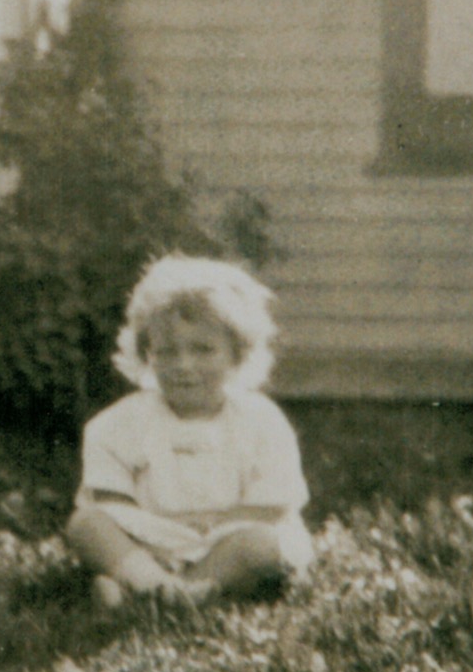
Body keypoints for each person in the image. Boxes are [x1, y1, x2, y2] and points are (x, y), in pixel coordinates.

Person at [66, 255, 313, 611]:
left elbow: (272, 506)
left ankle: (153, 593)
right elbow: (110, 499)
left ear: (237, 354)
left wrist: (211, 527)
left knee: (260, 546)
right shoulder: (120, 422)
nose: (184, 366)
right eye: (167, 352)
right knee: (86, 524)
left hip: (226, 541)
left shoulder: (262, 420)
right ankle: (162, 586)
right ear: (147, 355)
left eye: (203, 350)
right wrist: (159, 536)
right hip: (151, 542)